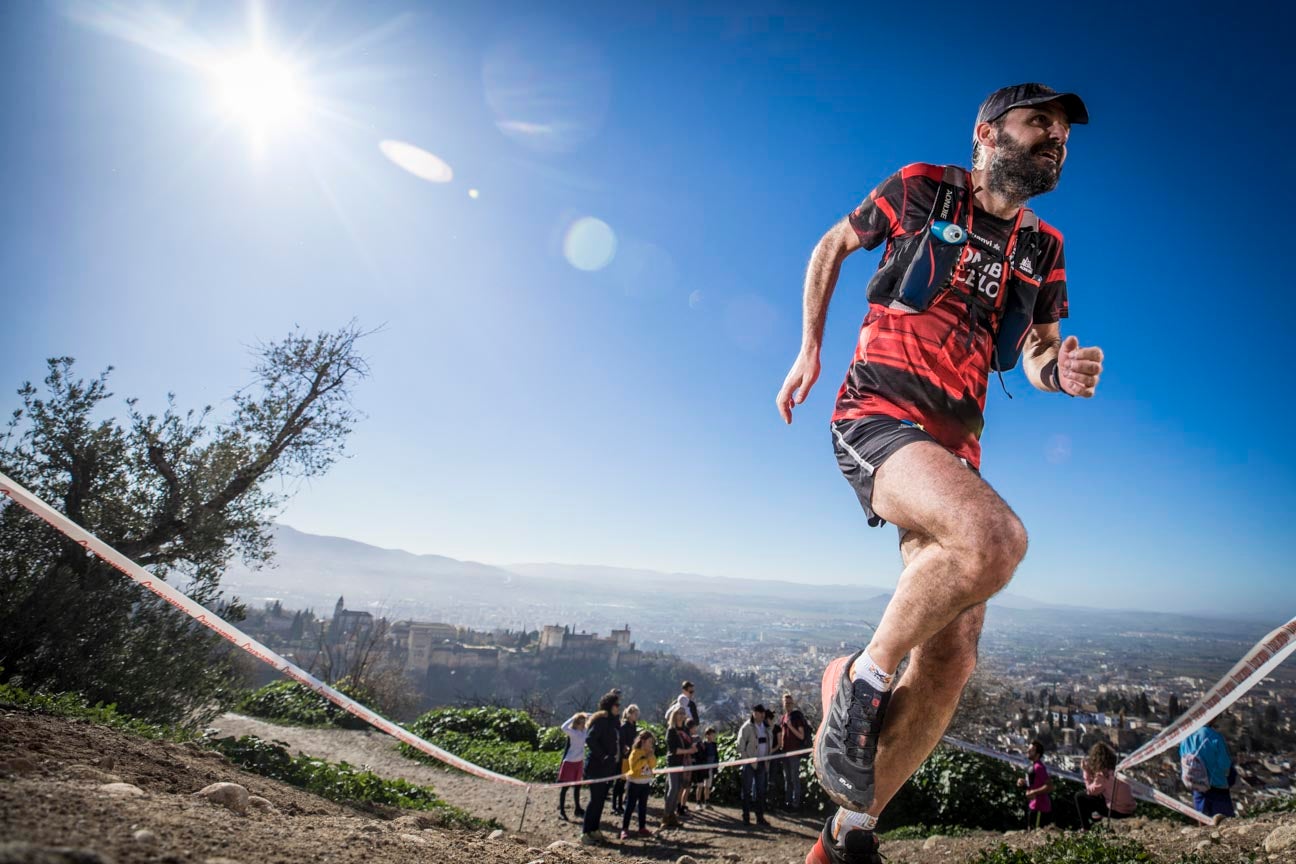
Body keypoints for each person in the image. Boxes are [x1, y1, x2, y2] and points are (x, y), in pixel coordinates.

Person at [776, 83, 1101, 864]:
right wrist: (810, 347)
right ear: (987, 132)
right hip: (877, 414)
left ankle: (846, 833)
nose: (1055, 138)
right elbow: (832, 245)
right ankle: (859, 679)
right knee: (995, 539)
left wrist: (1061, 373)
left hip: (955, 450)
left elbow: (1036, 349)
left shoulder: (1044, 247)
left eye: (1062, 133)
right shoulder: (921, 186)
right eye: (1039, 123)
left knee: (954, 655)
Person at [580, 692, 622, 845]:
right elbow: (590, 739)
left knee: (600, 800)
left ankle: (594, 829)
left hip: (607, 769)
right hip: (596, 768)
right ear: (609, 706)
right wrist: (603, 756)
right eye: (616, 705)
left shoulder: (613, 722)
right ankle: (586, 832)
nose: (618, 708)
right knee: (595, 800)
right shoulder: (602, 721)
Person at [1180, 723, 1237, 818]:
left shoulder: (1186, 737)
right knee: (1223, 820)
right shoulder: (1215, 736)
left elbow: (1182, 756)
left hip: (1197, 785)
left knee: (1202, 818)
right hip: (1217, 786)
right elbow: (1224, 764)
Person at [1075, 741, 1135, 829]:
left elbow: (1090, 791)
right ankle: (1097, 817)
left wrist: (1086, 772)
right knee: (1102, 794)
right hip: (1129, 810)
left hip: (1118, 812)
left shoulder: (1103, 774)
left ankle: (1086, 827)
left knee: (1079, 796)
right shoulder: (1117, 769)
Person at [736, 704, 772, 826]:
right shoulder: (747, 727)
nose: (762, 715)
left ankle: (759, 817)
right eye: (759, 713)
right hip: (749, 763)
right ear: (754, 713)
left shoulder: (766, 727)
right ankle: (746, 816)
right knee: (746, 790)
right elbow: (740, 746)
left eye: (763, 713)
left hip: (762, 762)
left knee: (760, 791)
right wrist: (747, 760)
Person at [662, 707, 695, 828]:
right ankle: (666, 816)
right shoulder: (671, 730)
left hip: (683, 763)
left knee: (678, 789)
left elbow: (689, 743)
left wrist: (693, 748)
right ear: (674, 715)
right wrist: (688, 751)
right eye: (678, 713)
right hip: (673, 763)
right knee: (673, 789)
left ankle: (672, 815)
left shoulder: (685, 730)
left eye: (683, 713)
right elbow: (674, 750)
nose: (681, 715)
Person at [621, 730, 657, 839]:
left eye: (652, 742)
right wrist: (645, 759)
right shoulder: (635, 752)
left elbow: (653, 765)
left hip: (645, 783)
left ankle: (642, 828)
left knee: (643, 807)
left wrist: (651, 756)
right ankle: (624, 829)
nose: (651, 744)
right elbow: (634, 767)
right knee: (630, 806)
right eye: (649, 742)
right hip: (634, 783)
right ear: (643, 741)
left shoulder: (649, 752)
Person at [779, 692, 811, 810]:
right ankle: (788, 802)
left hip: (794, 752)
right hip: (785, 752)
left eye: (790, 703)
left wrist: (790, 726)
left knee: (794, 779)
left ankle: (795, 804)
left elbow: (801, 736)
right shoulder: (783, 718)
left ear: (793, 704)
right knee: (787, 779)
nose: (788, 705)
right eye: (786, 703)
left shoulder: (796, 717)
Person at [556, 712, 588, 821]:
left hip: (579, 762)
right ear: (576, 723)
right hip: (569, 762)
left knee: (578, 786)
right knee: (565, 788)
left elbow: (592, 719)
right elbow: (563, 727)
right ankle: (562, 811)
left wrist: (586, 715)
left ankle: (577, 808)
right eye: (581, 722)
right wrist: (573, 717)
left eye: (584, 722)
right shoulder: (572, 733)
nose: (583, 724)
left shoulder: (584, 732)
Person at [1016, 739, 1053, 829]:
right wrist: (1023, 783)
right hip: (1032, 805)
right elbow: (1032, 785)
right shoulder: (1031, 766)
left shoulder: (1039, 767)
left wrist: (1034, 792)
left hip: (1040, 807)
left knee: (1035, 834)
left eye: (1031, 750)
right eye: (1028, 749)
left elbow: (1050, 786)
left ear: (1038, 754)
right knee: (1030, 831)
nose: (1028, 751)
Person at [612, 703, 640, 816]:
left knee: (624, 781)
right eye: (635, 714)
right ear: (629, 714)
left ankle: (620, 804)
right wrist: (625, 748)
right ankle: (615, 805)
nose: (636, 716)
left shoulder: (633, 726)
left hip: (630, 757)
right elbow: (621, 742)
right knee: (619, 782)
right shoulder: (624, 727)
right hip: (623, 758)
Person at [695, 726, 719, 810]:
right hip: (702, 769)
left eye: (714, 735)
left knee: (707, 786)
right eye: (712, 735)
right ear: (707, 735)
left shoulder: (714, 745)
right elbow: (699, 756)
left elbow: (716, 756)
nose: (713, 737)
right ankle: (698, 803)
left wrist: (716, 766)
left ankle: (707, 802)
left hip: (710, 768)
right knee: (700, 786)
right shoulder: (702, 745)